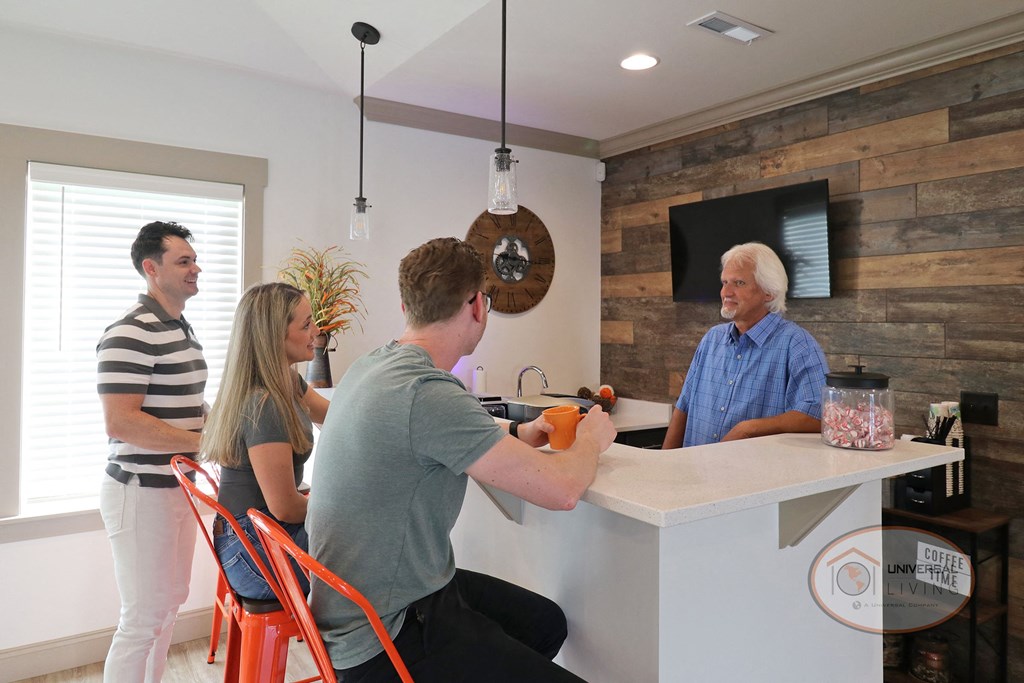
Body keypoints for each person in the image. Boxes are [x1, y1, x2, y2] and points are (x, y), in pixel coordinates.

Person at [307, 237, 616, 682]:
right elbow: (562, 490)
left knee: (544, 623)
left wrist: (519, 432)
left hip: (362, 605)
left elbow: (442, 432)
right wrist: (591, 438)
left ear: (405, 306)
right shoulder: (427, 393)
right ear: (476, 305)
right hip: (387, 634)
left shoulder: (373, 367)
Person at [97, 221, 207, 682]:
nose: (195, 268)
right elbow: (121, 421)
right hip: (140, 492)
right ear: (150, 268)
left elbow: (188, 404)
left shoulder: (180, 328)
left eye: (193, 260)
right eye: (183, 261)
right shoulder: (130, 331)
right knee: (142, 619)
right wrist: (206, 442)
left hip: (177, 488)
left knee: (168, 609)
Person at [201, 282, 330, 599]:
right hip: (252, 549)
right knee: (373, 555)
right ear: (275, 336)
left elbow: (336, 417)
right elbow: (285, 508)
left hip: (254, 535)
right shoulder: (264, 403)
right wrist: (334, 505)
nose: (317, 330)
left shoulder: (285, 380)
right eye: (306, 324)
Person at [661, 241, 829, 449]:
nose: (726, 293)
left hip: (752, 479)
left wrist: (748, 429)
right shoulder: (711, 339)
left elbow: (819, 415)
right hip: (697, 474)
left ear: (770, 292)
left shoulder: (797, 345)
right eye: (724, 282)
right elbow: (683, 407)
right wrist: (664, 463)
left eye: (739, 283)